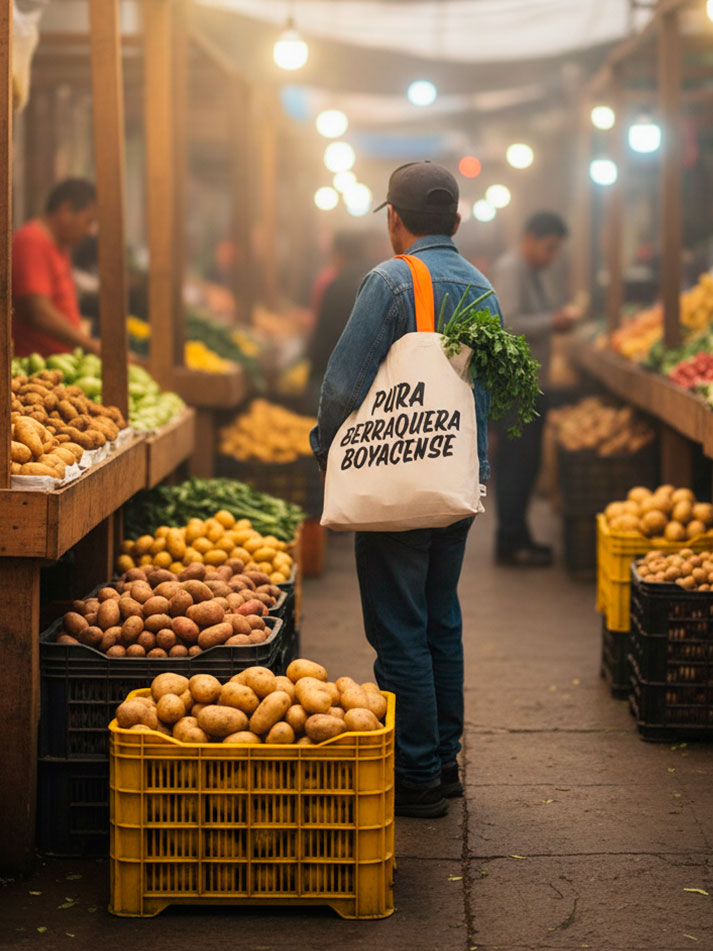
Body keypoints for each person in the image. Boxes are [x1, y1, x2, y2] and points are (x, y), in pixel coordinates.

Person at [310, 162, 502, 819]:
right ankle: (443, 761)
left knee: (398, 629)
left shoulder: (390, 279)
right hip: (456, 476)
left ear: (394, 219)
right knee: (439, 617)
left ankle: (416, 774)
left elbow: (342, 385)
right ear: (455, 219)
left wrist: (323, 447)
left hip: (396, 480)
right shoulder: (482, 286)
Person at [491, 211, 576, 567]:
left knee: (525, 466)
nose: (551, 256)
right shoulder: (512, 269)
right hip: (515, 386)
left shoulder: (530, 271)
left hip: (526, 383)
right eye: (549, 248)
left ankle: (519, 536)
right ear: (529, 238)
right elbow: (508, 323)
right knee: (516, 465)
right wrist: (552, 322)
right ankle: (510, 543)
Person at [12, 178, 101, 357]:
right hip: (37, 366)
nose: (90, 230)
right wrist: (91, 345)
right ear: (66, 210)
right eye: (88, 221)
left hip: (62, 361)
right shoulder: (32, 242)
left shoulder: (59, 245)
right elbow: (38, 312)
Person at [306, 231, 374, 413]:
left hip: (336, 376)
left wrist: (312, 372)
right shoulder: (379, 280)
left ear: (338, 254)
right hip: (372, 379)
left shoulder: (337, 286)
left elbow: (323, 334)